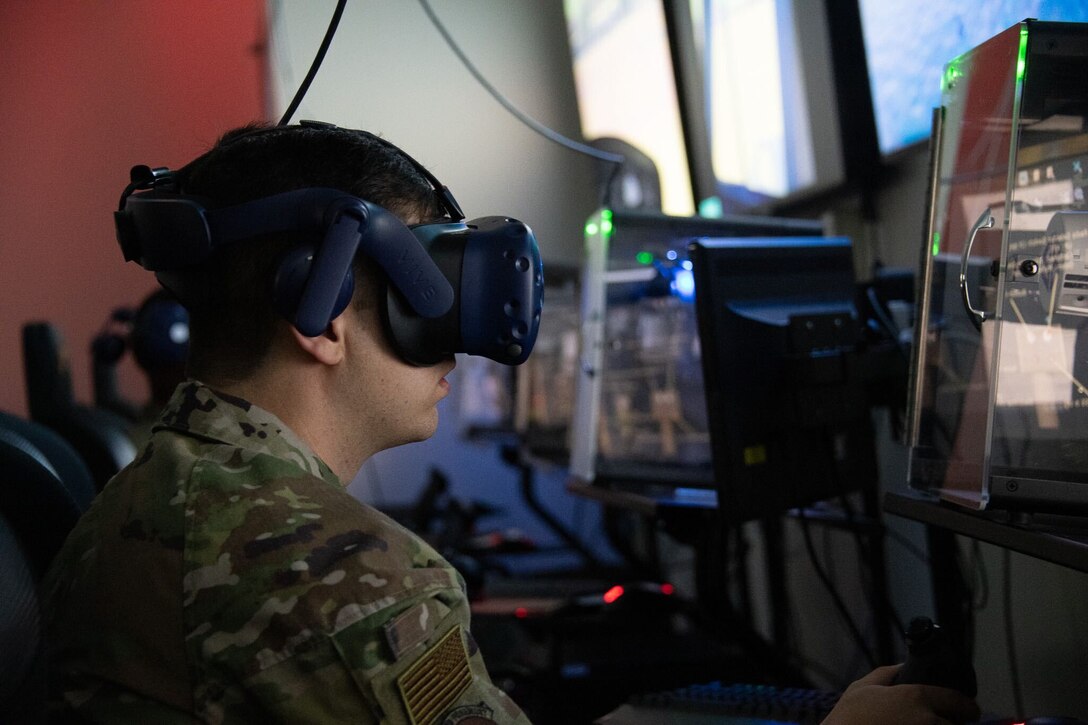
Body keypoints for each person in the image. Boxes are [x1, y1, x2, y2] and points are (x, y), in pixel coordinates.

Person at [42, 122, 979, 725]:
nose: (460, 341)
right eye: (432, 288)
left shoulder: (143, 501)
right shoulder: (338, 573)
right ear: (320, 317)